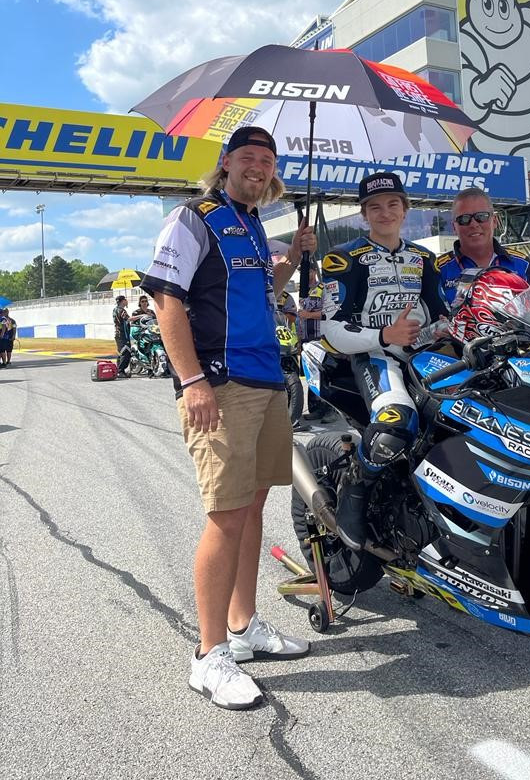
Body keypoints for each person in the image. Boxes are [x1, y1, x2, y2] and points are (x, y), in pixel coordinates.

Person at [141, 125, 316, 711]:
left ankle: (243, 629)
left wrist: (292, 260)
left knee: (254, 506)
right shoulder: (195, 216)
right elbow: (165, 297)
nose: (259, 167)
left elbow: (264, 292)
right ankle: (208, 654)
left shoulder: (251, 223)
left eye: (267, 160)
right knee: (225, 516)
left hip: (266, 379)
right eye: (249, 157)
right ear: (226, 162)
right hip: (221, 384)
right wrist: (192, 381)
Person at [321, 171, 447, 549]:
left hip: (424, 357)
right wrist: (384, 336)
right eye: (374, 207)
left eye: (393, 204)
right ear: (364, 214)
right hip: (371, 354)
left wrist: (440, 330)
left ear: (405, 209)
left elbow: (440, 314)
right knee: (395, 426)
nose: (385, 212)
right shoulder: (343, 259)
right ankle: (354, 494)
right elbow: (331, 329)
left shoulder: (425, 259)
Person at [436, 186, 530, 309]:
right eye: (464, 219)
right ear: (454, 227)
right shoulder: (438, 269)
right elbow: (434, 321)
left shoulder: (522, 263)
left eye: (482, 216)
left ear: (494, 220)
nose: (474, 224)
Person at [298, 265, 334, 424]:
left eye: (307, 271)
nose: (304, 274)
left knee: (325, 375)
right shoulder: (302, 291)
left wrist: (309, 315)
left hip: (320, 338)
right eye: (301, 272)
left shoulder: (322, 288)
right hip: (306, 339)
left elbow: (329, 312)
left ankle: (330, 411)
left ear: (313, 271)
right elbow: (300, 317)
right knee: (311, 375)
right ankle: (315, 409)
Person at [112, 295, 131, 375]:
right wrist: (141, 316)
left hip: (118, 334)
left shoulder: (115, 309)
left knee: (121, 352)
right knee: (126, 352)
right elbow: (128, 319)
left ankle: (119, 370)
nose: (126, 301)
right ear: (122, 301)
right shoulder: (121, 310)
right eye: (125, 300)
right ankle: (120, 371)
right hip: (122, 334)